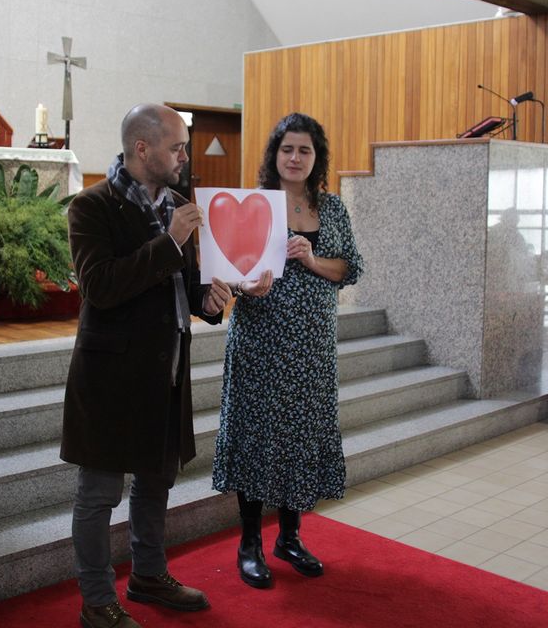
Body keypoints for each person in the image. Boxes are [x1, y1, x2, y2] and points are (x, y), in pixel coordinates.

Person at [60, 104, 232, 628]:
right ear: (142, 148)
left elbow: (187, 286)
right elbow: (101, 287)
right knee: (100, 494)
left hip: (166, 370)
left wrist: (211, 301)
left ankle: (149, 575)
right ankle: (96, 600)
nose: (184, 157)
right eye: (177, 147)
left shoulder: (177, 205)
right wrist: (170, 240)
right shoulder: (91, 207)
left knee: (157, 481)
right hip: (111, 376)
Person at [213, 112, 363, 589]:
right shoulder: (254, 204)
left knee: (301, 434)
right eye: (287, 149)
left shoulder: (332, 208)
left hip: (311, 347)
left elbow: (350, 268)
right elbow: (227, 268)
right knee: (257, 434)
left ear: (317, 157)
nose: (295, 158)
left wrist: (312, 259)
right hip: (260, 340)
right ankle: (250, 544)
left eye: (305, 150)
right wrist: (244, 285)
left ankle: (290, 537)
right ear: (274, 155)